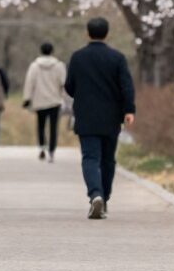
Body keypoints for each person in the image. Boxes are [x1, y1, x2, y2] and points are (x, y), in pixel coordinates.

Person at [63, 16, 135, 218]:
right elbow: (126, 87)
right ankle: (105, 198)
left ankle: (95, 194)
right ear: (107, 33)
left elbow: (69, 86)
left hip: (86, 115)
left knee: (90, 157)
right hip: (112, 116)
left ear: (87, 33)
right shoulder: (117, 58)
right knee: (108, 159)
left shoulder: (78, 57)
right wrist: (129, 110)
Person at [22, 41, 67, 162]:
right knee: (53, 127)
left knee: (41, 126)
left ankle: (42, 147)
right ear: (52, 51)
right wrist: (64, 98)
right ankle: (52, 151)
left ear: (41, 51)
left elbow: (29, 82)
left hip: (39, 101)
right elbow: (63, 84)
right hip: (55, 101)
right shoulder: (59, 65)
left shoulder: (34, 66)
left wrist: (27, 98)